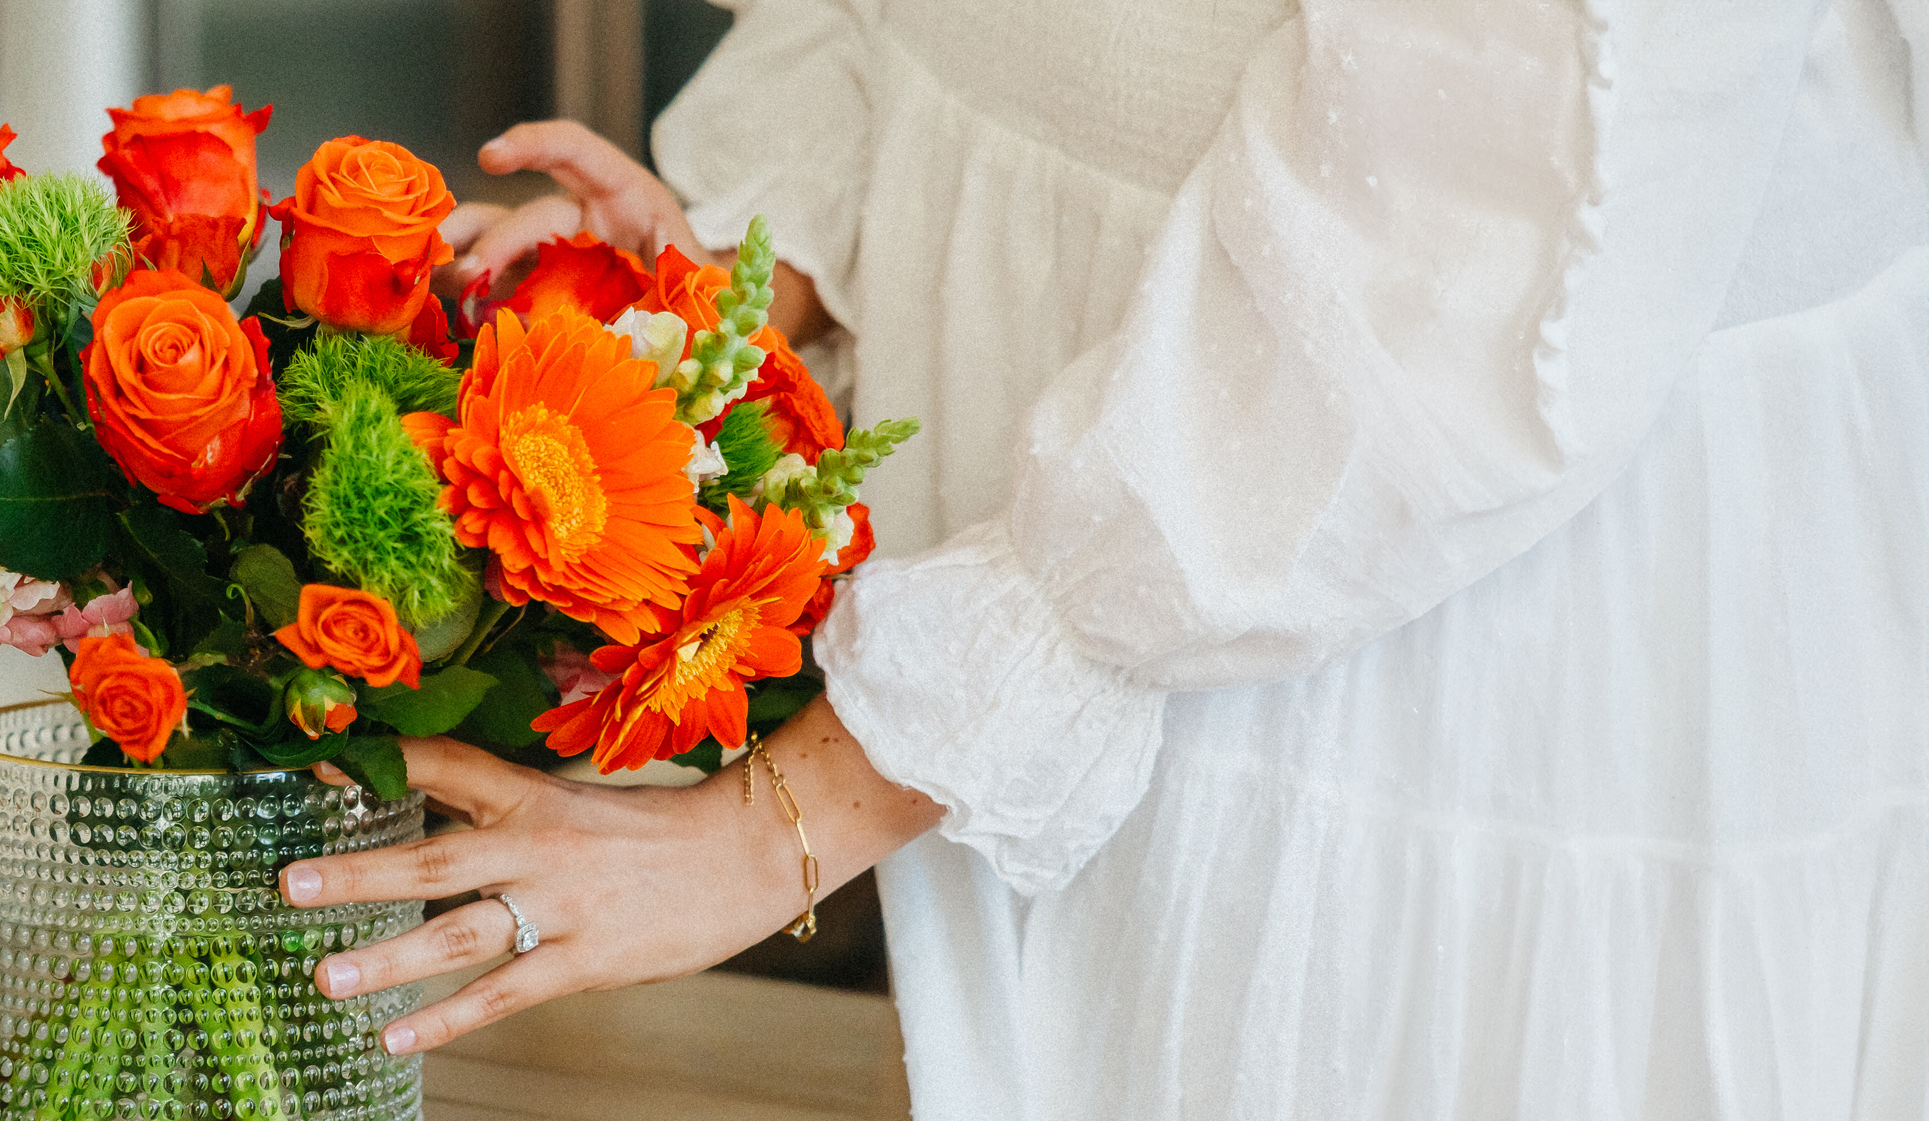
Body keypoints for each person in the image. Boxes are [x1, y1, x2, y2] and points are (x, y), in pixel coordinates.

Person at [282, 2, 1929, 1115]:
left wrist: (781, 823)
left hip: (1402, 549)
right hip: (1100, 464)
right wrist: (745, 265)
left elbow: (1464, 249)